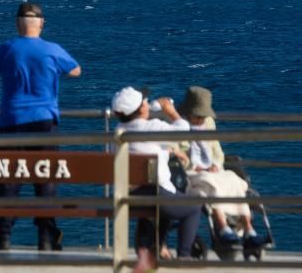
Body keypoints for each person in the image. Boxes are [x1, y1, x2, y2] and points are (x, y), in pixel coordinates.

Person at [0, 1, 81, 251]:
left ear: (17, 24)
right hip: (44, 122)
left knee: (8, 181)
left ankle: (2, 236)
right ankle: (46, 238)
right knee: (45, 181)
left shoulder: (7, 48)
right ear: (42, 23)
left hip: (12, 121)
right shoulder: (52, 49)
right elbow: (76, 70)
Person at [112, 86, 201, 272]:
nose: (147, 102)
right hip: (156, 193)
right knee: (194, 206)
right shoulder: (152, 127)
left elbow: (144, 145)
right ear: (141, 109)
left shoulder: (118, 131)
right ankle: (184, 257)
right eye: (144, 102)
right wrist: (172, 112)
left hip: (127, 195)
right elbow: (184, 131)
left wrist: (164, 150)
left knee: (168, 198)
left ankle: (155, 248)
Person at [173, 86, 264, 246]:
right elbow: (175, 153)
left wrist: (215, 164)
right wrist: (194, 166)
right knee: (208, 183)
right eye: (198, 116)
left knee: (234, 180)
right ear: (189, 113)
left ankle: (249, 229)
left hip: (212, 170)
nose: (202, 119)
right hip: (191, 173)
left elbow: (217, 150)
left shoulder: (209, 123)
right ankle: (222, 227)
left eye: (204, 116)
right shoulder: (177, 125)